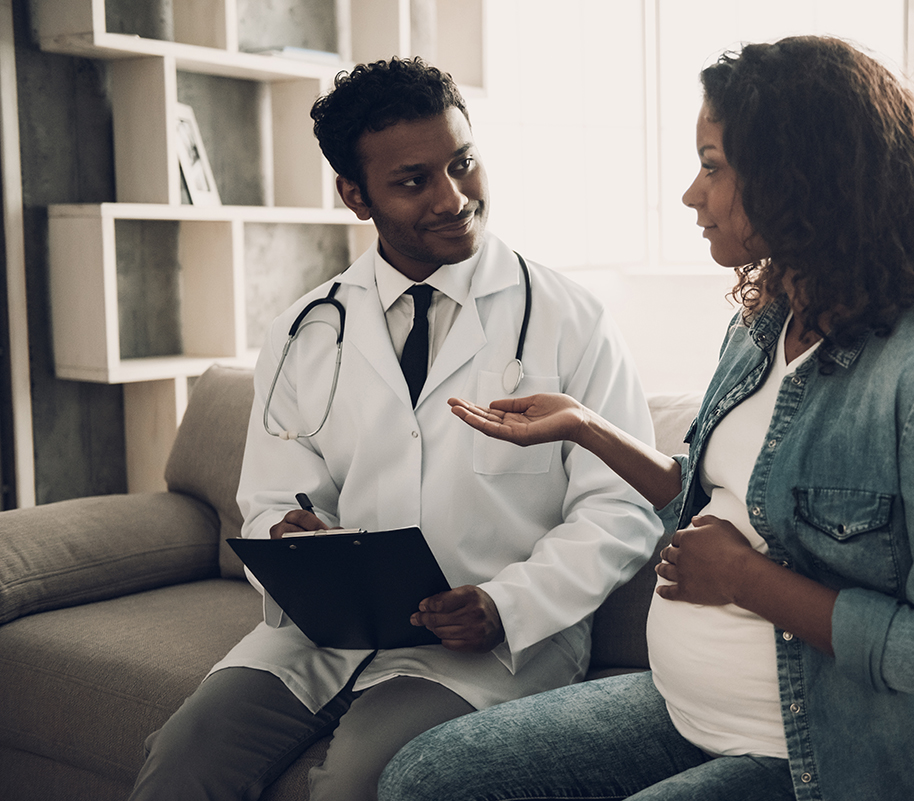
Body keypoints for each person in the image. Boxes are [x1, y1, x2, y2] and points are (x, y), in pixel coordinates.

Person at [378, 36, 914, 801]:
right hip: (681, 711)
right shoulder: (763, 327)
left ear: (797, 181)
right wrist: (584, 425)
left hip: (822, 755)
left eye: (712, 165)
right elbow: (719, 497)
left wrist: (747, 579)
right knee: (424, 778)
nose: (691, 193)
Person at [128, 57, 662, 801]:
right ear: (355, 195)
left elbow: (623, 508)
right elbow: (271, 494)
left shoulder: (571, 319)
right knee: (183, 761)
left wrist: (506, 603)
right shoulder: (307, 329)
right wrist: (289, 537)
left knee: (358, 784)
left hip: (497, 640)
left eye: (463, 163)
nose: (453, 198)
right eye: (414, 181)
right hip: (321, 633)